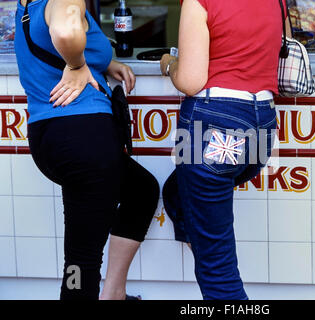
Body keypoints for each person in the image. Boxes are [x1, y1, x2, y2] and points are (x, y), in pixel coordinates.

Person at [15, 0, 160, 300]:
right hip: (83, 138)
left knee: (141, 190)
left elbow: (46, 40)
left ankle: (114, 294)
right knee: (81, 263)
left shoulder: (29, 4)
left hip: (50, 136)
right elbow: (66, 32)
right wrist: (78, 66)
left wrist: (102, 63)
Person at [160, 0, 288, 300]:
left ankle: (211, 254)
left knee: (218, 269)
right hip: (262, 123)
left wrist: (169, 63)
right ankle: (206, 242)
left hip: (212, 123)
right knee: (177, 194)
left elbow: (191, 81)